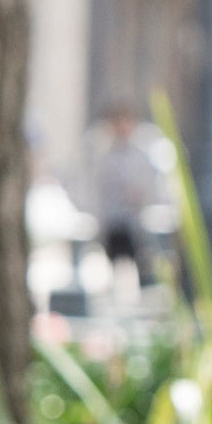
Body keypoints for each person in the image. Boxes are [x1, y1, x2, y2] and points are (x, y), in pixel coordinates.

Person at [89, 107, 164, 288]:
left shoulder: (140, 155)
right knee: (112, 265)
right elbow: (96, 188)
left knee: (141, 266)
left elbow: (150, 186)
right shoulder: (104, 155)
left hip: (134, 221)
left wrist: (139, 195)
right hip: (113, 220)